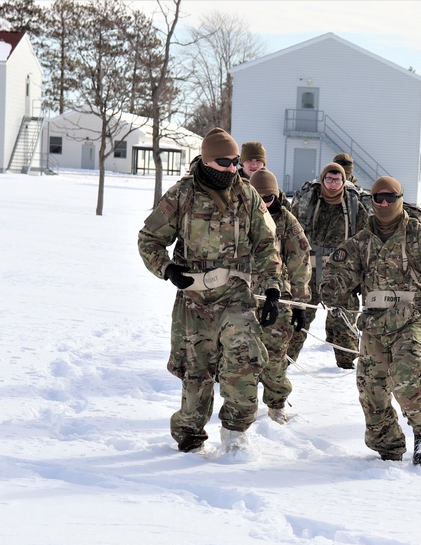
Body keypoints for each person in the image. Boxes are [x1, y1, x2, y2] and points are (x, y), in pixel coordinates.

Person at [138, 127, 282, 453]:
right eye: (224, 162)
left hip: (235, 295)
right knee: (196, 373)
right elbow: (149, 239)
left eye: (235, 162)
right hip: (194, 300)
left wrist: (272, 288)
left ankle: (235, 432)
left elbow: (266, 245)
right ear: (205, 160)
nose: (232, 168)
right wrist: (167, 269)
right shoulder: (182, 195)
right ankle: (190, 435)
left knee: (244, 361)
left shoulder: (246, 195)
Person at [319, 176, 421, 465]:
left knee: (407, 373)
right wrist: (332, 288)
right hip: (374, 322)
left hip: (412, 317)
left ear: (399, 199)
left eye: (390, 198)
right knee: (372, 388)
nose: (383, 204)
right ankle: (389, 448)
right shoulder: (360, 241)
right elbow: (338, 272)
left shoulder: (418, 236)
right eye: (378, 198)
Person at [289, 162, 370, 369]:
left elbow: (365, 241)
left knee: (343, 322)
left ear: (344, 181)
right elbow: (289, 232)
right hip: (308, 271)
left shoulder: (354, 207)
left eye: (337, 180)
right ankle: (284, 362)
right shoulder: (306, 203)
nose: (333, 184)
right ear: (322, 179)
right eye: (329, 179)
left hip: (342, 274)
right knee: (298, 319)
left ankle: (346, 366)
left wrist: (362, 276)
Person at [249, 168, 312, 422]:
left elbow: (300, 262)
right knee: (241, 356)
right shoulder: (239, 215)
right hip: (242, 294)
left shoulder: (287, 222)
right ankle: (243, 407)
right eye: (259, 197)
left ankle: (276, 405)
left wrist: (299, 303)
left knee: (274, 355)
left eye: (269, 198)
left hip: (279, 297)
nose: (264, 203)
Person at [240, 140, 292, 209]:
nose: (254, 164)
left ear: (264, 163)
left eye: (258, 160)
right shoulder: (232, 187)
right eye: (249, 160)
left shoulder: (273, 191)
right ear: (241, 162)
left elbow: (287, 215)